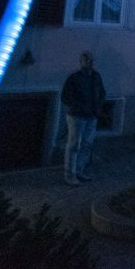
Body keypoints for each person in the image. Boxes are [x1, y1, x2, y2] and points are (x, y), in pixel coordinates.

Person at [61, 51, 105, 186]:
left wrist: (99, 106)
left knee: (87, 144)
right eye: (86, 61)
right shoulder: (74, 78)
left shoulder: (96, 77)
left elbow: (102, 92)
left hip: (92, 115)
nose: (89, 63)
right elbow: (66, 97)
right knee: (74, 145)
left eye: (91, 61)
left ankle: (79, 171)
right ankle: (70, 174)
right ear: (81, 62)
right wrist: (77, 106)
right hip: (77, 116)